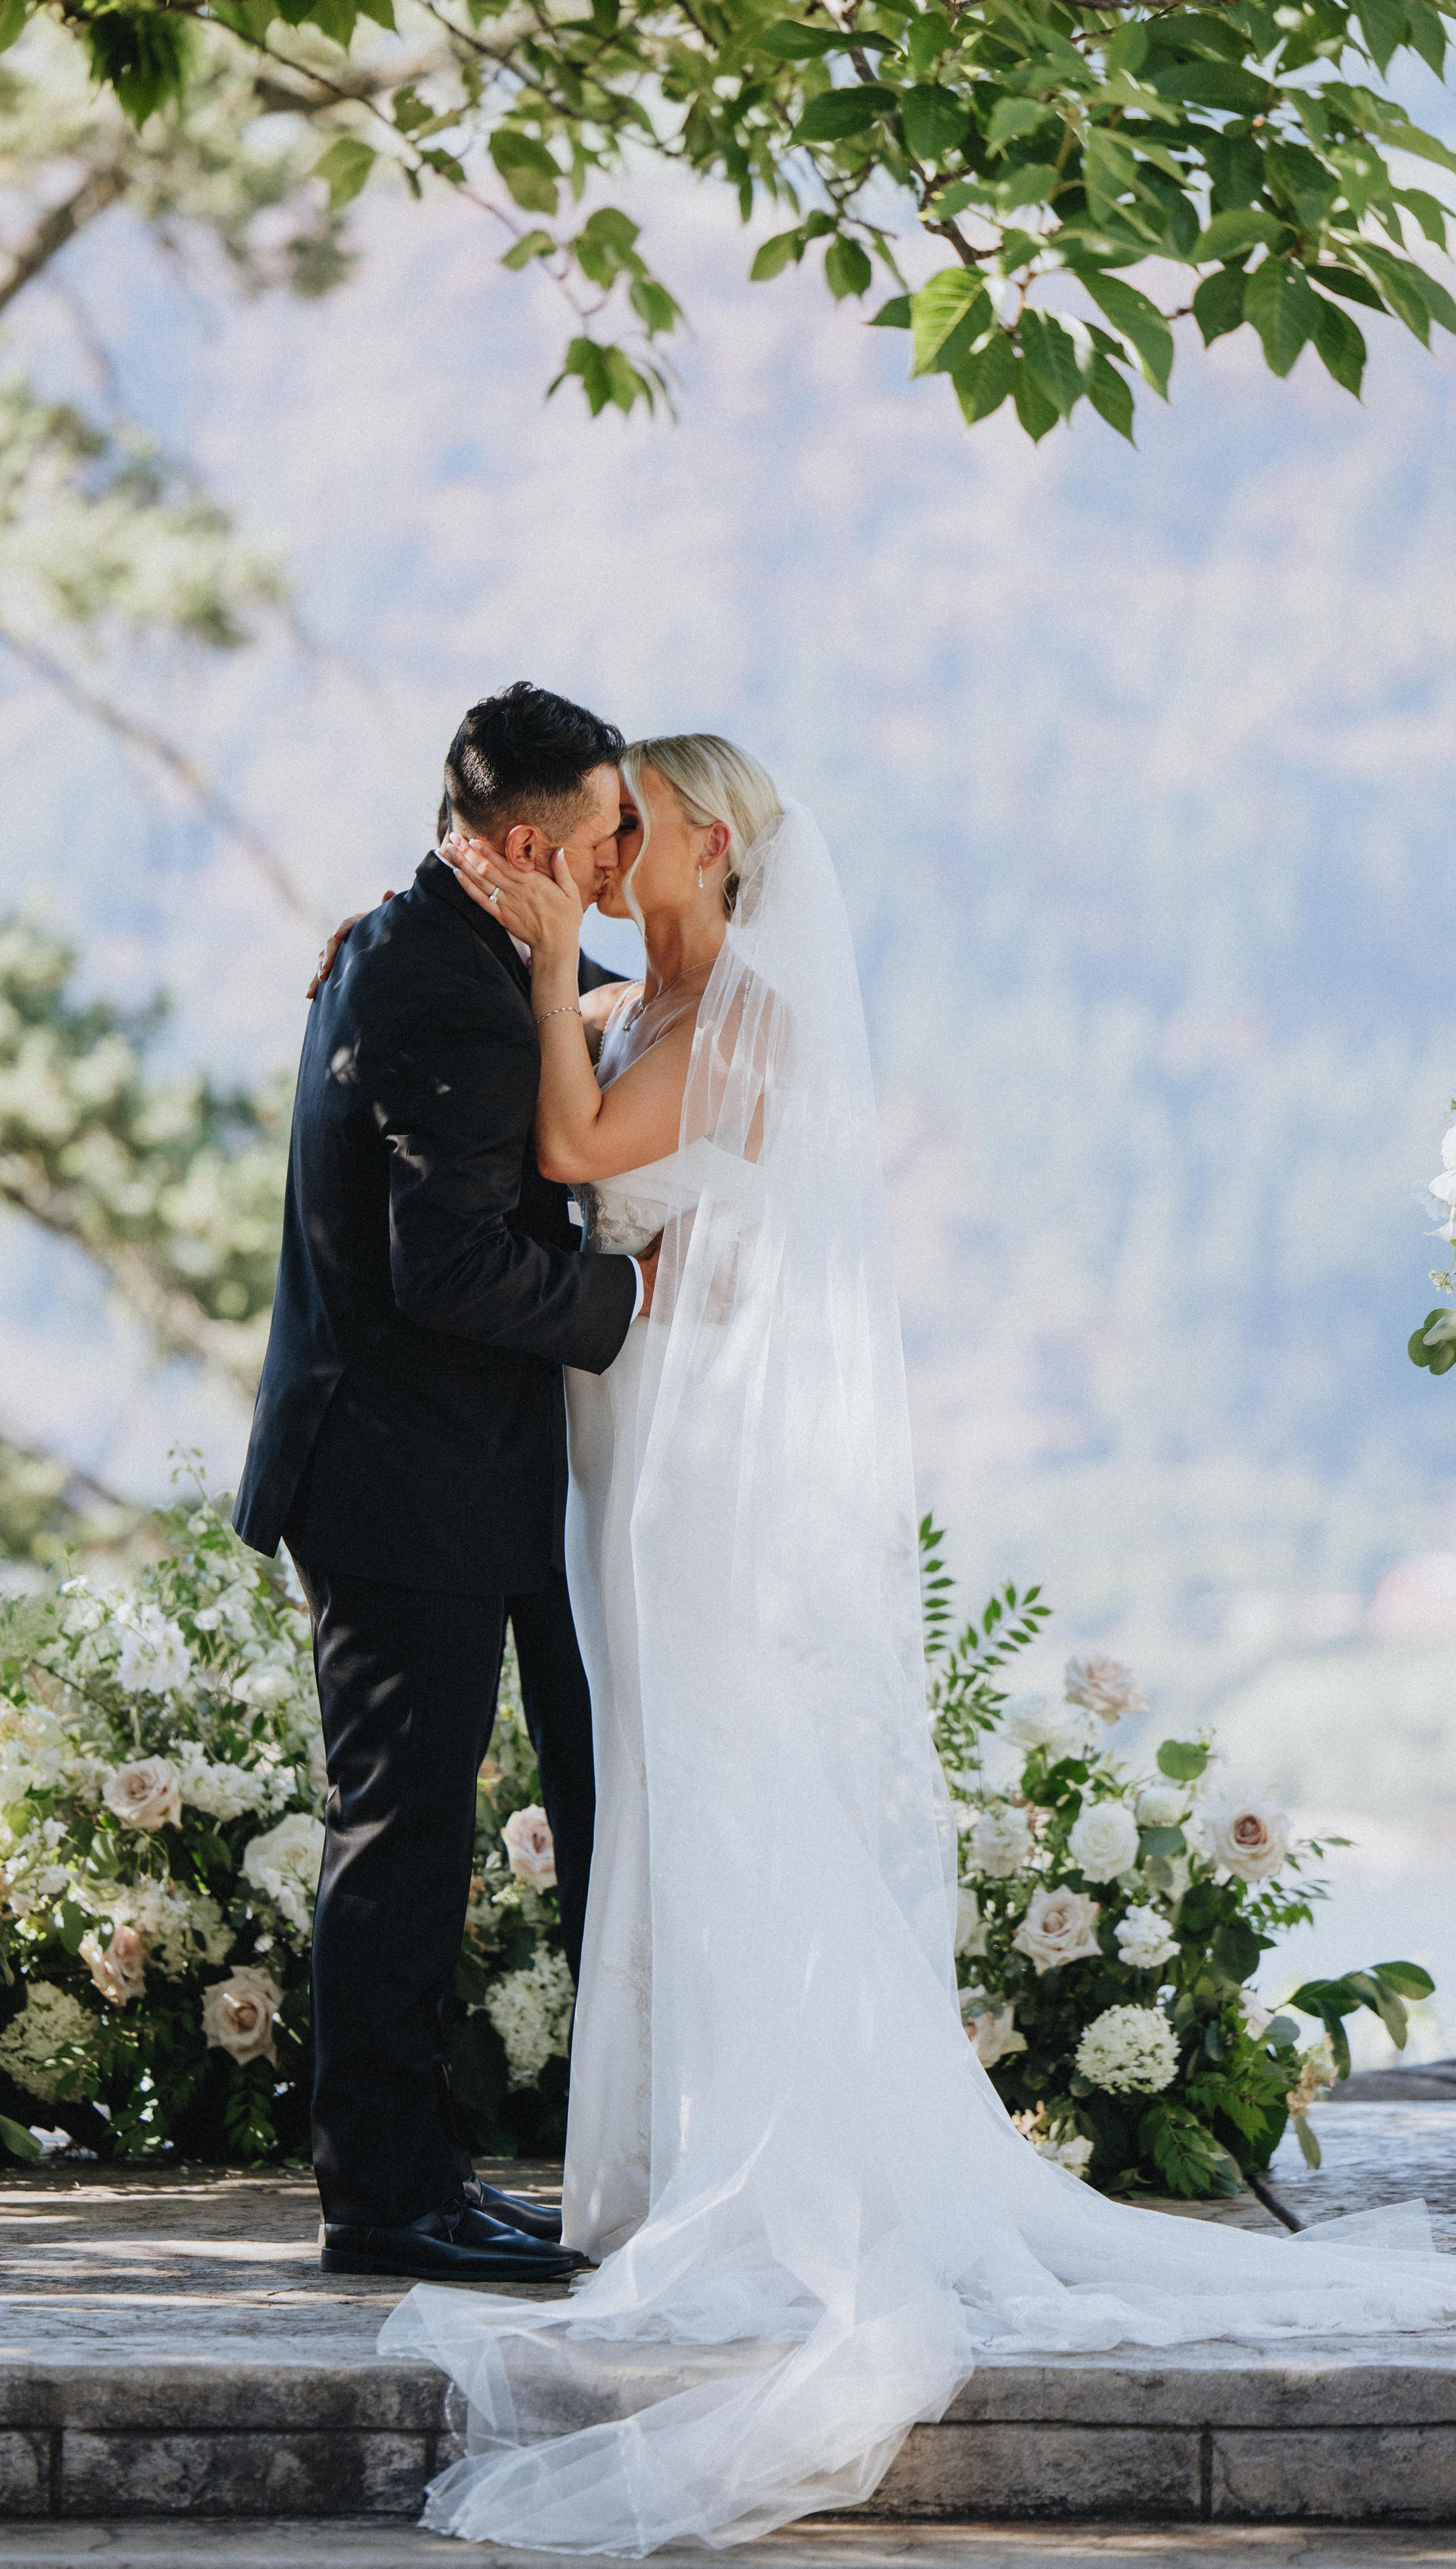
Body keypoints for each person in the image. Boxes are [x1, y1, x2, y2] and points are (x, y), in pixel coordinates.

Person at [380, 733, 1456, 2552]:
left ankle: (761, 2163)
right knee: (649, 1775)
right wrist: (536, 963)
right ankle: (660, 2160)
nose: (609, 847)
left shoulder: (744, 1028)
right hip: (618, 1443)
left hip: (694, 1462)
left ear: (711, 841)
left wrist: (551, 956)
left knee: (719, 1772)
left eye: (634, 823)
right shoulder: (648, 1000)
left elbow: (571, 1147)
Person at [233, 682, 659, 2286]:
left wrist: (639, 1000)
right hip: (398, 1481)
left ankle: (430, 2176)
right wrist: (634, 1308)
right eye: (612, 829)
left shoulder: (431, 946)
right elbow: (452, 1270)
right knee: (400, 1836)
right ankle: (388, 2198)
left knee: (434, 1824)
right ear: (532, 844)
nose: (625, 853)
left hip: (442, 1475)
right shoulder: (432, 986)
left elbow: (558, 1027)